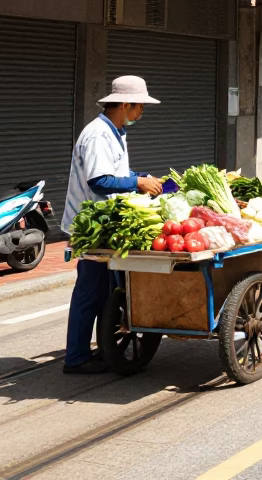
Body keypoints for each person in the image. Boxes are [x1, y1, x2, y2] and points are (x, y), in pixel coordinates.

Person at [62, 75, 163, 374]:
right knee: (90, 291)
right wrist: (136, 183)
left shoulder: (116, 131)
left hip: (106, 224)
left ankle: (96, 349)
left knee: (103, 293)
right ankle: (76, 358)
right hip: (91, 226)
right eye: (140, 106)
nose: (142, 112)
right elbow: (100, 181)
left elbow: (116, 170)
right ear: (124, 104)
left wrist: (141, 176)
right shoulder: (97, 135)